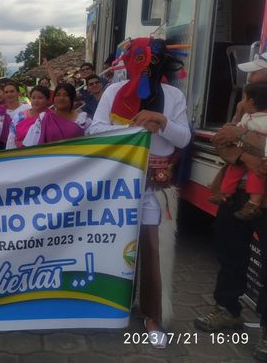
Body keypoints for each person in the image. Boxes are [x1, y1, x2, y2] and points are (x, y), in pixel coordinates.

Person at [89, 37, 191, 349]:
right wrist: (135, 129)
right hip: (118, 180)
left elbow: (183, 139)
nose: (146, 68)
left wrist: (162, 122)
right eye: (139, 61)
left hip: (156, 184)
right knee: (112, 242)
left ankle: (153, 315)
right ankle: (107, 303)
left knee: (154, 248)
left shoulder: (173, 95)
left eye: (152, 62)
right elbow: (95, 129)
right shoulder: (113, 92)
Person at [194, 51, 267, 361]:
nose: (249, 79)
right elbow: (222, 145)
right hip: (236, 194)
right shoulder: (245, 113)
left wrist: (242, 143)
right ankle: (227, 310)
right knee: (229, 253)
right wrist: (245, 152)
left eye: (255, 74)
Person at [209, 81, 267, 220]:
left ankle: (253, 205)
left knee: (256, 177)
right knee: (232, 171)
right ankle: (225, 195)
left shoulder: (264, 120)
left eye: (244, 98)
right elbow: (221, 141)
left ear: (252, 101)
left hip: (260, 164)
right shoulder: (246, 115)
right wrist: (244, 157)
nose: (241, 102)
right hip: (239, 188)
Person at [23, 83, 88, 146]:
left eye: (65, 95)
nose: (61, 98)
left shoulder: (83, 120)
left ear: (72, 98)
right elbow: (30, 145)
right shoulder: (44, 119)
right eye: (58, 95)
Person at [0, 81, 31, 151]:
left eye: (12, 91)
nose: (9, 94)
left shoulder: (27, 109)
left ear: (18, 93)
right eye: (6, 92)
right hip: (3, 147)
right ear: (4, 95)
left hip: (24, 146)